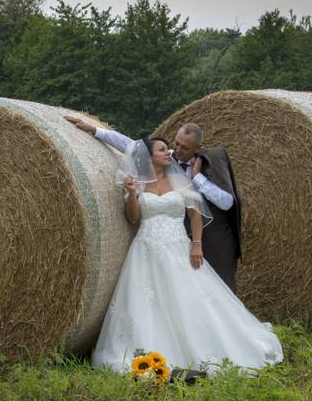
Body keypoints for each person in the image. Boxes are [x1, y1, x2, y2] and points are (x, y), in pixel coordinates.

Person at [88, 136, 282, 376]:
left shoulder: (179, 180)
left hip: (179, 246)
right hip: (146, 248)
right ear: (149, 157)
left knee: (192, 298)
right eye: (161, 150)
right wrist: (129, 194)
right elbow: (133, 218)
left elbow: (195, 215)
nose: (168, 152)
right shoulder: (137, 183)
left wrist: (197, 245)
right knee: (148, 302)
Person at [64, 116, 242, 292]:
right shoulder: (166, 158)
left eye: (184, 147)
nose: (176, 150)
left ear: (197, 148)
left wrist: (197, 178)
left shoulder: (206, 164)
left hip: (202, 237)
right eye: (176, 143)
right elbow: (130, 145)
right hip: (150, 241)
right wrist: (95, 130)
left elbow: (226, 203)